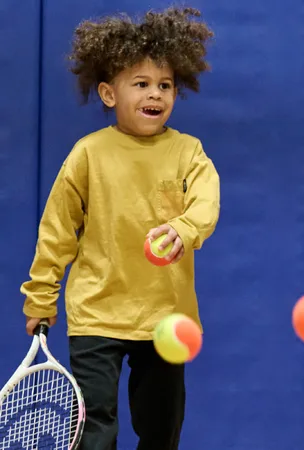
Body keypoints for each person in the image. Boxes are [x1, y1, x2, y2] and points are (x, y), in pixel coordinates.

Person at [19, 7, 219, 450]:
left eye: (165, 85)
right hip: (96, 314)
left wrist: (184, 229)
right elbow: (57, 230)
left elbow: (207, 204)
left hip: (165, 319)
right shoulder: (88, 154)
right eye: (142, 83)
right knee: (95, 431)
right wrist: (40, 295)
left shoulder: (188, 151)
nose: (156, 94)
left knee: (161, 431)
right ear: (109, 94)